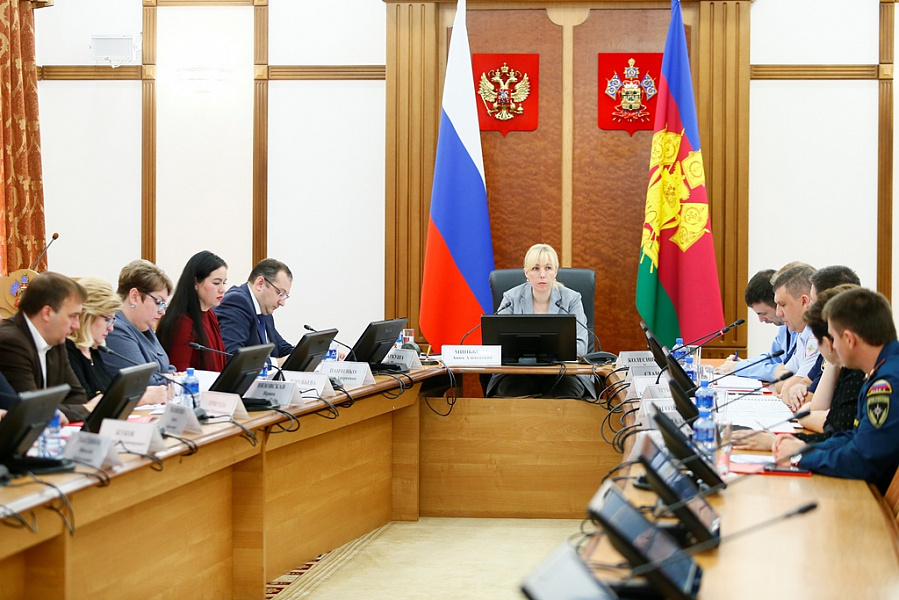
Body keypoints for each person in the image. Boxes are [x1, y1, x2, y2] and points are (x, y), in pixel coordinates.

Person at [774, 288, 899, 494]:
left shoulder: (886, 383)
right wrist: (804, 448)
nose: (830, 346)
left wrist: (801, 456)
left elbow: (863, 460)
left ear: (849, 340)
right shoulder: (881, 369)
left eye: (832, 337)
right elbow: (854, 437)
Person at [734, 285, 863, 451]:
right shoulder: (844, 363)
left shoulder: (859, 372)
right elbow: (821, 415)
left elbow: (836, 431)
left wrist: (780, 442)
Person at [485, 244, 594, 398]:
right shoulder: (511, 298)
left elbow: (581, 348)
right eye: (535, 268)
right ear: (526, 272)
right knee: (512, 391)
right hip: (518, 373)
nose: (542, 275)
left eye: (548, 268)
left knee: (565, 393)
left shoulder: (572, 299)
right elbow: (497, 346)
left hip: (562, 372)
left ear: (555, 271)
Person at [0, 272, 91, 423]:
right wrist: (86, 409)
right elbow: (32, 410)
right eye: (72, 316)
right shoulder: (11, 342)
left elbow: (77, 396)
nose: (76, 325)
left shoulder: (55, 338)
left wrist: (56, 410)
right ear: (47, 313)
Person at [103, 260, 176, 398]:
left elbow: (168, 368)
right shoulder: (115, 329)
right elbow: (143, 383)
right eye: (158, 302)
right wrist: (172, 379)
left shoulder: (144, 326)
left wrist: (168, 377)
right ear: (134, 296)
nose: (162, 311)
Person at [157, 251, 229, 372]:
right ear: (196, 283)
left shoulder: (210, 314)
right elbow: (180, 372)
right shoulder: (183, 321)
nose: (223, 289)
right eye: (216, 283)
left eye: (224, 282)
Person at [714, 269, 792, 379]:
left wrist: (739, 368)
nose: (761, 320)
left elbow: (786, 371)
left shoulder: (803, 328)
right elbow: (773, 358)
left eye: (763, 313)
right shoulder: (785, 327)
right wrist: (744, 364)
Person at [214, 258, 294, 360]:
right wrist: (275, 363)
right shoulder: (236, 302)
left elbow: (281, 348)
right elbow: (232, 357)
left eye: (285, 296)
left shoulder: (264, 309)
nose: (282, 303)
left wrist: (306, 354)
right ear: (260, 283)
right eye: (280, 293)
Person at [771, 265, 820, 402]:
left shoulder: (817, 337)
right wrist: (790, 385)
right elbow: (778, 380)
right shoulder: (802, 333)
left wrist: (789, 386)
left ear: (804, 301)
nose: (778, 313)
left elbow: (793, 396)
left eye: (782, 304)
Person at [66, 277, 120, 400]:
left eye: (113, 320)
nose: (111, 328)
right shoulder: (66, 351)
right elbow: (84, 403)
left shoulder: (93, 350)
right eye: (107, 320)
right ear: (87, 316)